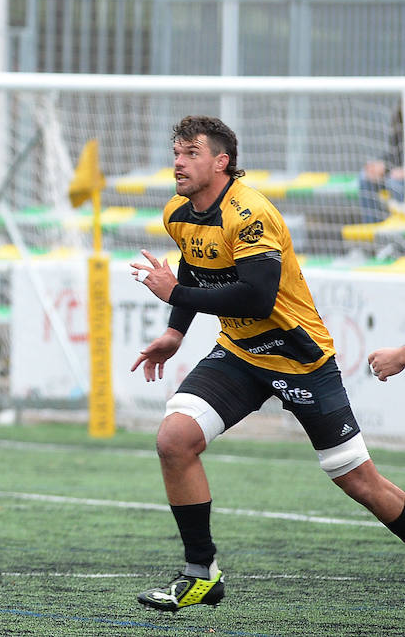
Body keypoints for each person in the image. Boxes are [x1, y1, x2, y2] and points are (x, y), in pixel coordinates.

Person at [130, 115, 405, 613]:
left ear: (221, 161)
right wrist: (174, 331)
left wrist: (176, 291)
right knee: (174, 440)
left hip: (298, 357)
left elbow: (257, 297)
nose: (178, 161)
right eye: (176, 151)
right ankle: (200, 572)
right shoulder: (178, 212)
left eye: (191, 152)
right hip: (238, 355)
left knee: (357, 479)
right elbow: (197, 264)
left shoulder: (251, 213)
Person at [358, 104, 403, 222]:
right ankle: (373, 232)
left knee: (394, 182)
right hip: (397, 173)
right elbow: (396, 153)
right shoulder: (399, 117)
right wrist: (383, 165)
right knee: (365, 177)